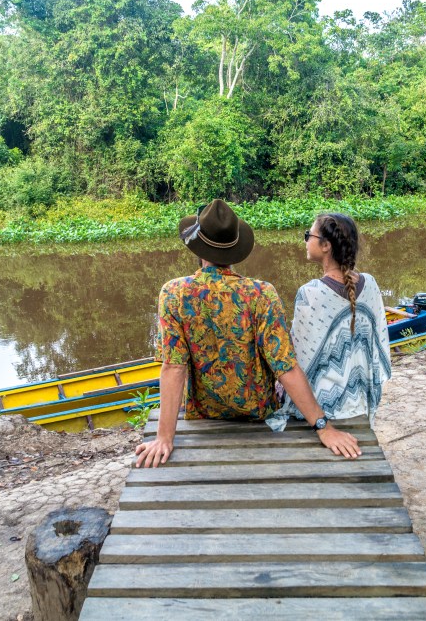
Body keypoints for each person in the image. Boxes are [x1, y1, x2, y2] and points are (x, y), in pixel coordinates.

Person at [134, 199, 362, 468]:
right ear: (236, 248)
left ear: (197, 247)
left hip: (206, 414)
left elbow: (173, 367)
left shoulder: (173, 293)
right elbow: (285, 366)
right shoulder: (261, 293)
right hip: (259, 412)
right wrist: (323, 427)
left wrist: (164, 438)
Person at [266, 212, 391, 432]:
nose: (305, 241)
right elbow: (379, 346)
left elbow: (299, 361)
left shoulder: (311, 293)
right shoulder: (370, 284)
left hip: (323, 407)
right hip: (361, 401)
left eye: (308, 235)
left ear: (325, 246)